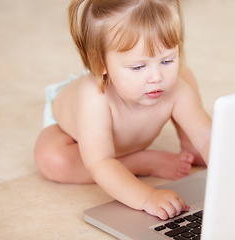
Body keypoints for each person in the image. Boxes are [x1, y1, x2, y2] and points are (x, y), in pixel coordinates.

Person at [34, 0, 211, 220]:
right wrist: (147, 197)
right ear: (101, 65)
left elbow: (208, 137)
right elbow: (100, 163)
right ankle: (143, 161)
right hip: (74, 133)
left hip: (123, 130)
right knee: (52, 159)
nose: (156, 77)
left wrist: (230, 165)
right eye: (138, 67)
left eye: (167, 60)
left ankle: (188, 145)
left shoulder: (170, 87)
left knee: (183, 76)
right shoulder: (94, 98)